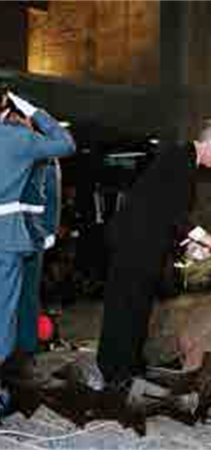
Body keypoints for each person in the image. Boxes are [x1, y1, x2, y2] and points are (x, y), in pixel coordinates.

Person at [89, 119, 211, 398]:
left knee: (138, 305)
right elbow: (173, 213)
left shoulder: (182, 159)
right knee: (126, 305)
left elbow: (167, 216)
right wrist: (210, 240)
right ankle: (116, 372)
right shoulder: (180, 160)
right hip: (134, 242)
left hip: (143, 242)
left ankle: (130, 365)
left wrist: (190, 245)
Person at [0, 90, 75, 414]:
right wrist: (34, 109)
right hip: (7, 236)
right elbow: (66, 143)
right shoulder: (17, 138)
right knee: (4, 315)